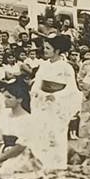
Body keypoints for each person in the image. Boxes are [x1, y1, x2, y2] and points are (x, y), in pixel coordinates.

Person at [30, 35, 82, 170]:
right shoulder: (43, 65)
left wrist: (56, 96)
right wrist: (40, 93)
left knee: (56, 135)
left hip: (57, 105)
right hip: (43, 103)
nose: (45, 50)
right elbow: (37, 83)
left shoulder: (66, 67)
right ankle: (41, 163)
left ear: (57, 50)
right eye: (45, 47)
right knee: (41, 134)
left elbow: (71, 88)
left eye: (48, 48)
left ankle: (57, 165)